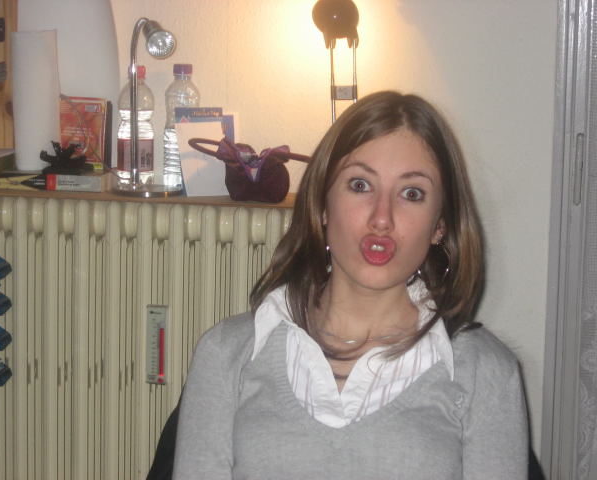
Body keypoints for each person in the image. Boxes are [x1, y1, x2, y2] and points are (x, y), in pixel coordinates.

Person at [172, 91, 528, 479]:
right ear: (323, 204)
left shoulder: (486, 372)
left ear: (439, 225)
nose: (382, 218)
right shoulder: (226, 353)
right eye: (360, 185)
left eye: (412, 194)